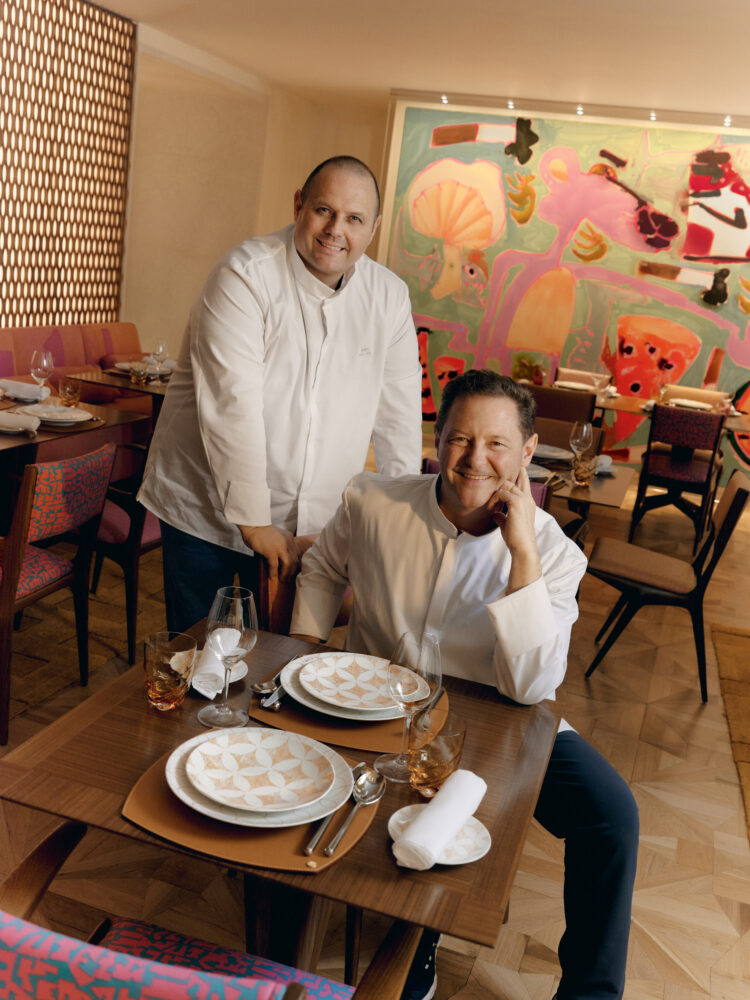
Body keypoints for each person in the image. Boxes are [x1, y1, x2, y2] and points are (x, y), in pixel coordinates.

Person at [291, 370, 639, 1000]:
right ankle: (410, 948)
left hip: (499, 720)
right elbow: (319, 568)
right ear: (439, 437)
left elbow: (531, 687)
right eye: (460, 438)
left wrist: (522, 554)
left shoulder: (557, 555)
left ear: (528, 452)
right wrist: (304, 658)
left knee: (611, 814)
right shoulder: (373, 501)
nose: (476, 459)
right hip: (377, 709)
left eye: (497, 444)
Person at [138, 155, 422, 633]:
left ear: (373, 228)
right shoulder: (244, 275)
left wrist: (397, 526)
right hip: (204, 505)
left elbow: (399, 419)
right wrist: (254, 523)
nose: (336, 230)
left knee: (283, 657)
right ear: (298, 206)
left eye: (354, 219)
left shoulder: (388, 297)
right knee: (200, 652)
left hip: (312, 526)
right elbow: (233, 407)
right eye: (324, 210)